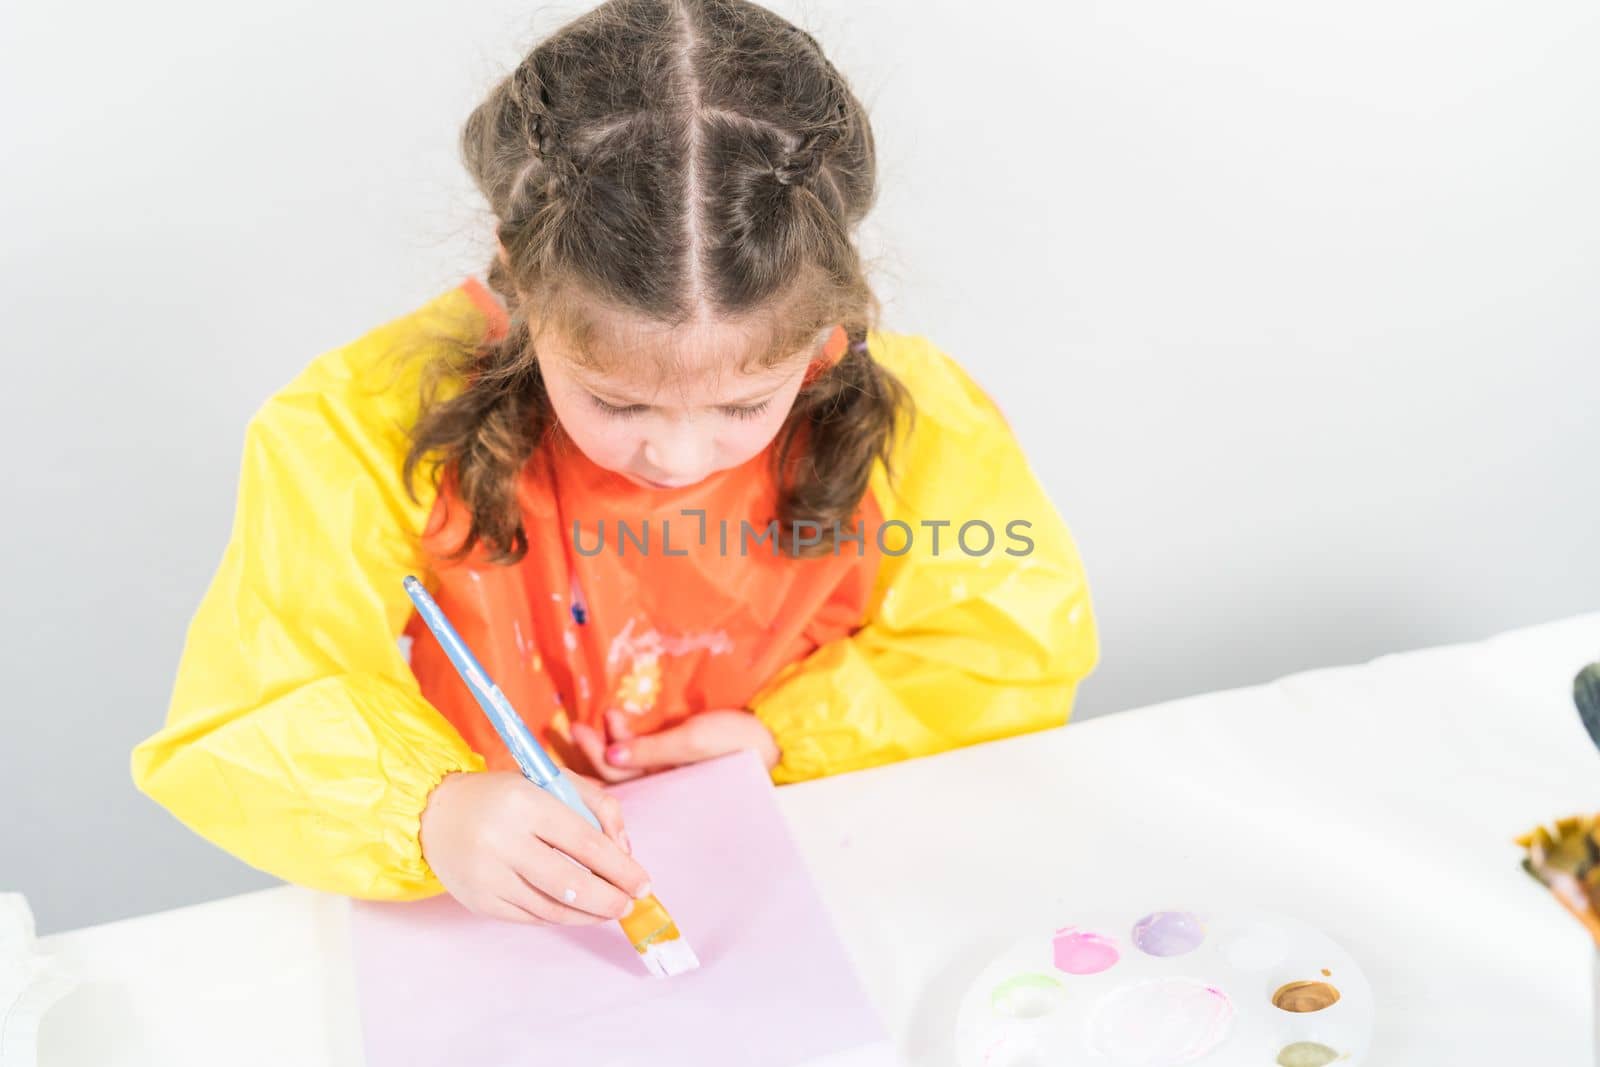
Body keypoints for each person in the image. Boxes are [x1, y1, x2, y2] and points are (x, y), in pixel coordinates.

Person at [132, 0, 1100, 931]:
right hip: (500, 904)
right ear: (520, 279)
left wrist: (788, 738)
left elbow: (1004, 644)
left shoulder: (918, 420)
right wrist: (433, 811)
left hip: (813, 867)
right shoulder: (362, 424)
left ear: (824, 330)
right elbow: (256, 703)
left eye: (743, 404)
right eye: (617, 400)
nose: (676, 455)